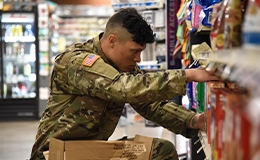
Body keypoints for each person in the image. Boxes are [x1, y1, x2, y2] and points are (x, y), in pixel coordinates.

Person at [30, 8, 220, 160]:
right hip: (55, 153)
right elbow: (125, 88)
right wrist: (188, 75)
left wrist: (193, 120)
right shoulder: (77, 62)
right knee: (160, 152)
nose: (137, 59)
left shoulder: (122, 66)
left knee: (161, 149)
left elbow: (147, 103)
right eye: (134, 51)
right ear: (112, 41)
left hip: (88, 148)